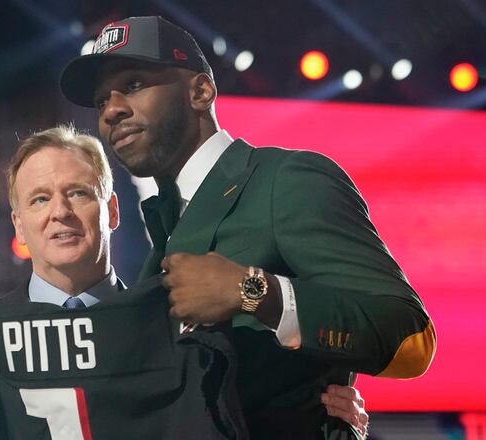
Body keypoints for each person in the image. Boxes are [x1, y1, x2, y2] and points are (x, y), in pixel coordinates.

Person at [0, 126, 369, 438]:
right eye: (39, 199)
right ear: (18, 224)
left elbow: (244, 423)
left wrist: (321, 424)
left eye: (78, 193)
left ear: (112, 210)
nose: (59, 212)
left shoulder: (182, 330)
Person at [59, 15, 435, 439]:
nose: (111, 111)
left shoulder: (285, 179)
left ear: (200, 92)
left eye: (133, 85)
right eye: (100, 101)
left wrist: (254, 291)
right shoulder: (165, 230)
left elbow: (410, 341)